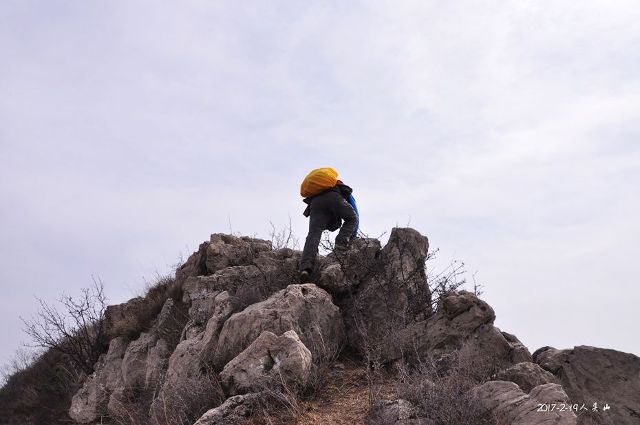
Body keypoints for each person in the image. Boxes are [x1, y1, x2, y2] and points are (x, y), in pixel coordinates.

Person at [299, 179, 359, 283]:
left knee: (314, 233)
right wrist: (352, 235)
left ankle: (305, 268)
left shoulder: (318, 192)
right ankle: (340, 243)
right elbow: (355, 214)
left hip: (315, 203)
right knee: (352, 218)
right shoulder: (344, 190)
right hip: (334, 199)